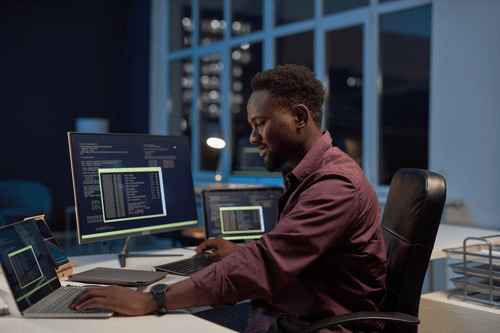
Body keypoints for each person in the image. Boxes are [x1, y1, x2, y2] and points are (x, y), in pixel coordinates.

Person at [69, 64, 387, 333]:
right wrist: (242, 251)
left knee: (159, 321)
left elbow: (266, 263)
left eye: (260, 124)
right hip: (297, 310)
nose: (252, 138)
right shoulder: (314, 173)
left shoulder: (335, 184)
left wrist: (155, 299)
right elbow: (286, 253)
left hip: (319, 324)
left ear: (299, 117)